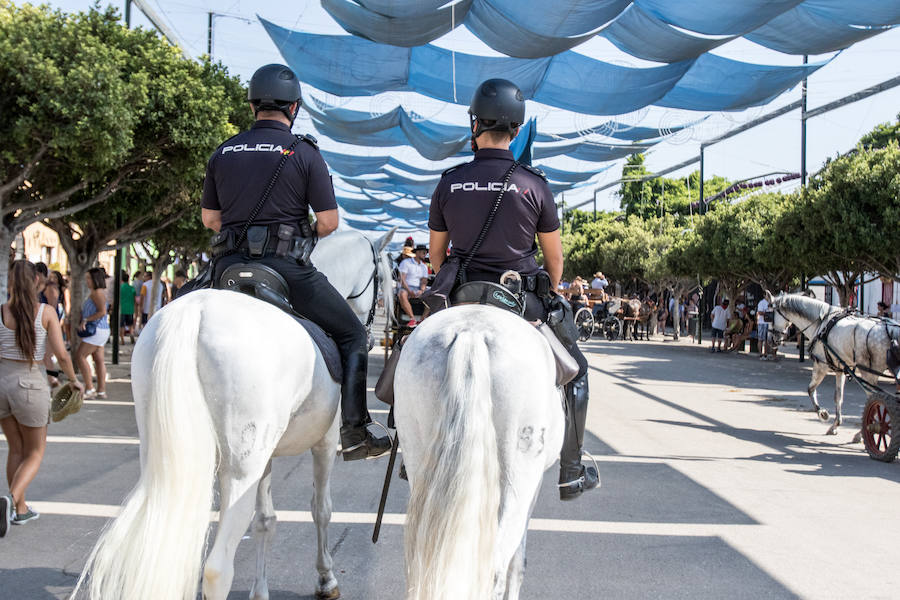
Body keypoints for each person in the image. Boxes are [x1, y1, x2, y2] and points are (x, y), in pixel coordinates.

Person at [200, 63, 390, 461]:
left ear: (252, 104)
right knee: (354, 335)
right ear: (295, 108)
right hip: (285, 270)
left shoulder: (224, 151)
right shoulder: (303, 152)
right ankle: (355, 430)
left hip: (225, 269)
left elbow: (211, 220)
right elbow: (328, 222)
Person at [426, 78, 598, 500]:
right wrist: (551, 291)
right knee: (576, 371)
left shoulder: (450, 182)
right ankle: (572, 470)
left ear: (474, 125)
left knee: (414, 355)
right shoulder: (534, 184)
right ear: (516, 131)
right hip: (520, 298)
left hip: (463, 292)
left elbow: (436, 257)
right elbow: (554, 261)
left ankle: (410, 453)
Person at [0, 261, 83, 536]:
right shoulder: (45, 312)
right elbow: (61, 353)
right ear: (37, 281)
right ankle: (10, 500)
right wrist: (73, 380)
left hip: (2, 383)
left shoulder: (1, 311)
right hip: (29, 382)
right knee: (35, 452)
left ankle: (20, 510)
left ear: (11, 281)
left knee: (16, 449)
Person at [74, 268, 110, 399]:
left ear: (95, 279)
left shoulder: (97, 293)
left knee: (80, 356)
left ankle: (90, 388)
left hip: (97, 329)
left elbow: (102, 311)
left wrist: (85, 319)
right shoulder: (97, 292)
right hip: (102, 329)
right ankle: (101, 390)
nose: (87, 281)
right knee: (98, 360)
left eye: (89, 278)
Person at [397, 244, 429, 327]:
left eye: (425, 253)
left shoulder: (424, 266)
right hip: (407, 286)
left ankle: (423, 319)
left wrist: (421, 290)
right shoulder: (406, 263)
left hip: (417, 288)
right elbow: (402, 279)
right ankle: (412, 318)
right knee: (402, 294)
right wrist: (409, 291)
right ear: (417, 253)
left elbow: (424, 281)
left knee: (433, 294)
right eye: (423, 253)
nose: (425, 254)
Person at [119, 269, 136, 344]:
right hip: (130, 309)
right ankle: (131, 335)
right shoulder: (132, 288)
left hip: (122, 309)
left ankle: (122, 339)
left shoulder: (120, 288)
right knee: (130, 324)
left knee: (122, 325)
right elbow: (134, 298)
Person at [756, 295, 770, 360]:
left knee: (767, 340)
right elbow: (759, 312)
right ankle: (760, 354)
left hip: (769, 323)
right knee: (760, 339)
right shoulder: (761, 303)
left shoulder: (771, 302)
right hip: (762, 323)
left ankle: (766, 353)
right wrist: (767, 313)